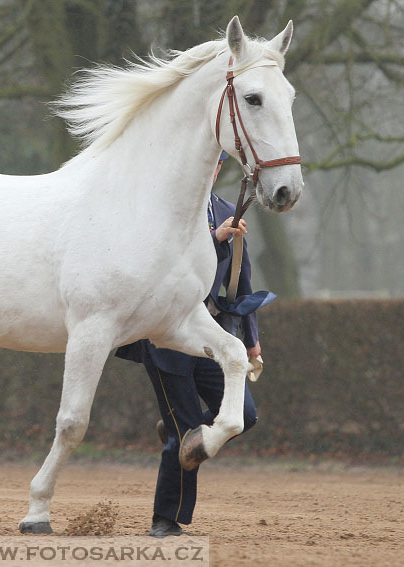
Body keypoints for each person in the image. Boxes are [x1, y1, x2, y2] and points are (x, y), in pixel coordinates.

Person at [114, 151, 275, 537]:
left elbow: (241, 283)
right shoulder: (162, 211)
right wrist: (215, 238)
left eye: (216, 162)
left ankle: (184, 429)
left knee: (244, 416)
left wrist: (251, 343)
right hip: (166, 337)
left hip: (208, 337)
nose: (209, 166)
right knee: (184, 435)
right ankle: (165, 520)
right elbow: (168, 266)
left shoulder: (224, 208)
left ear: (219, 168)